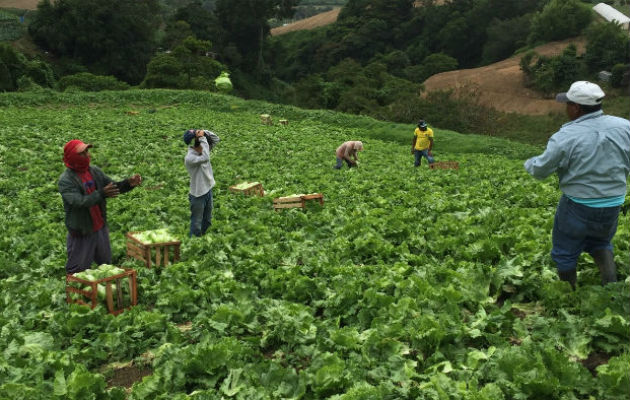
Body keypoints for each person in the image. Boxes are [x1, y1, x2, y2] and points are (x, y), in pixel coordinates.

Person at [524, 81, 630, 288]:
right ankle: (611, 286)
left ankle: (569, 294)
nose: (566, 108)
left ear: (576, 108)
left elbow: (540, 170)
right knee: (601, 242)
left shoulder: (566, 136)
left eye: (568, 104)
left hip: (578, 205)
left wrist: (529, 163)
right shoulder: (625, 127)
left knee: (565, 250)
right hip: (613, 202)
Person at [58, 139, 142, 274]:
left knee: (106, 267)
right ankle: (77, 294)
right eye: (82, 153)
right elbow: (79, 202)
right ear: (72, 157)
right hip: (82, 233)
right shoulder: (66, 180)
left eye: (87, 151)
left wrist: (128, 183)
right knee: (77, 272)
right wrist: (101, 193)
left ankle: (104, 293)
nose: (87, 155)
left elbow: (112, 187)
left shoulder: (94, 171)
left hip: (100, 228)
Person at [184, 129, 220, 237]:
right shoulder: (190, 158)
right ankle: (193, 245)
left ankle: (203, 241)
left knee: (207, 221)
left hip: (208, 190)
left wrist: (204, 132)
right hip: (198, 195)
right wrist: (202, 138)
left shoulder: (202, 149)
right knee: (196, 224)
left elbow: (216, 139)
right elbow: (206, 158)